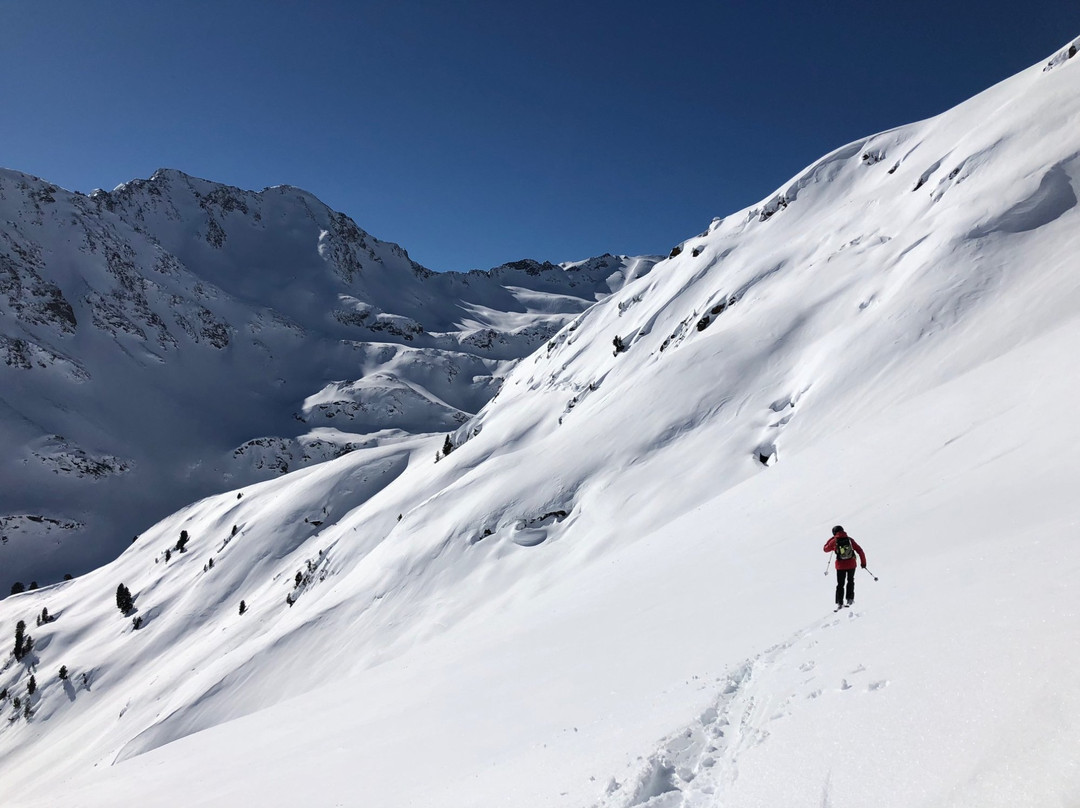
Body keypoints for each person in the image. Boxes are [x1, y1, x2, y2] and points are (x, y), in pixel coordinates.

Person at [823, 525, 866, 609]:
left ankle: (840, 602)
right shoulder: (850, 540)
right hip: (851, 564)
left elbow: (825, 549)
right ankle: (850, 599)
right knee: (850, 581)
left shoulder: (834, 541)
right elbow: (860, 550)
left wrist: (832, 538)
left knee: (840, 584)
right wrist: (863, 563)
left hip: (840, 566)